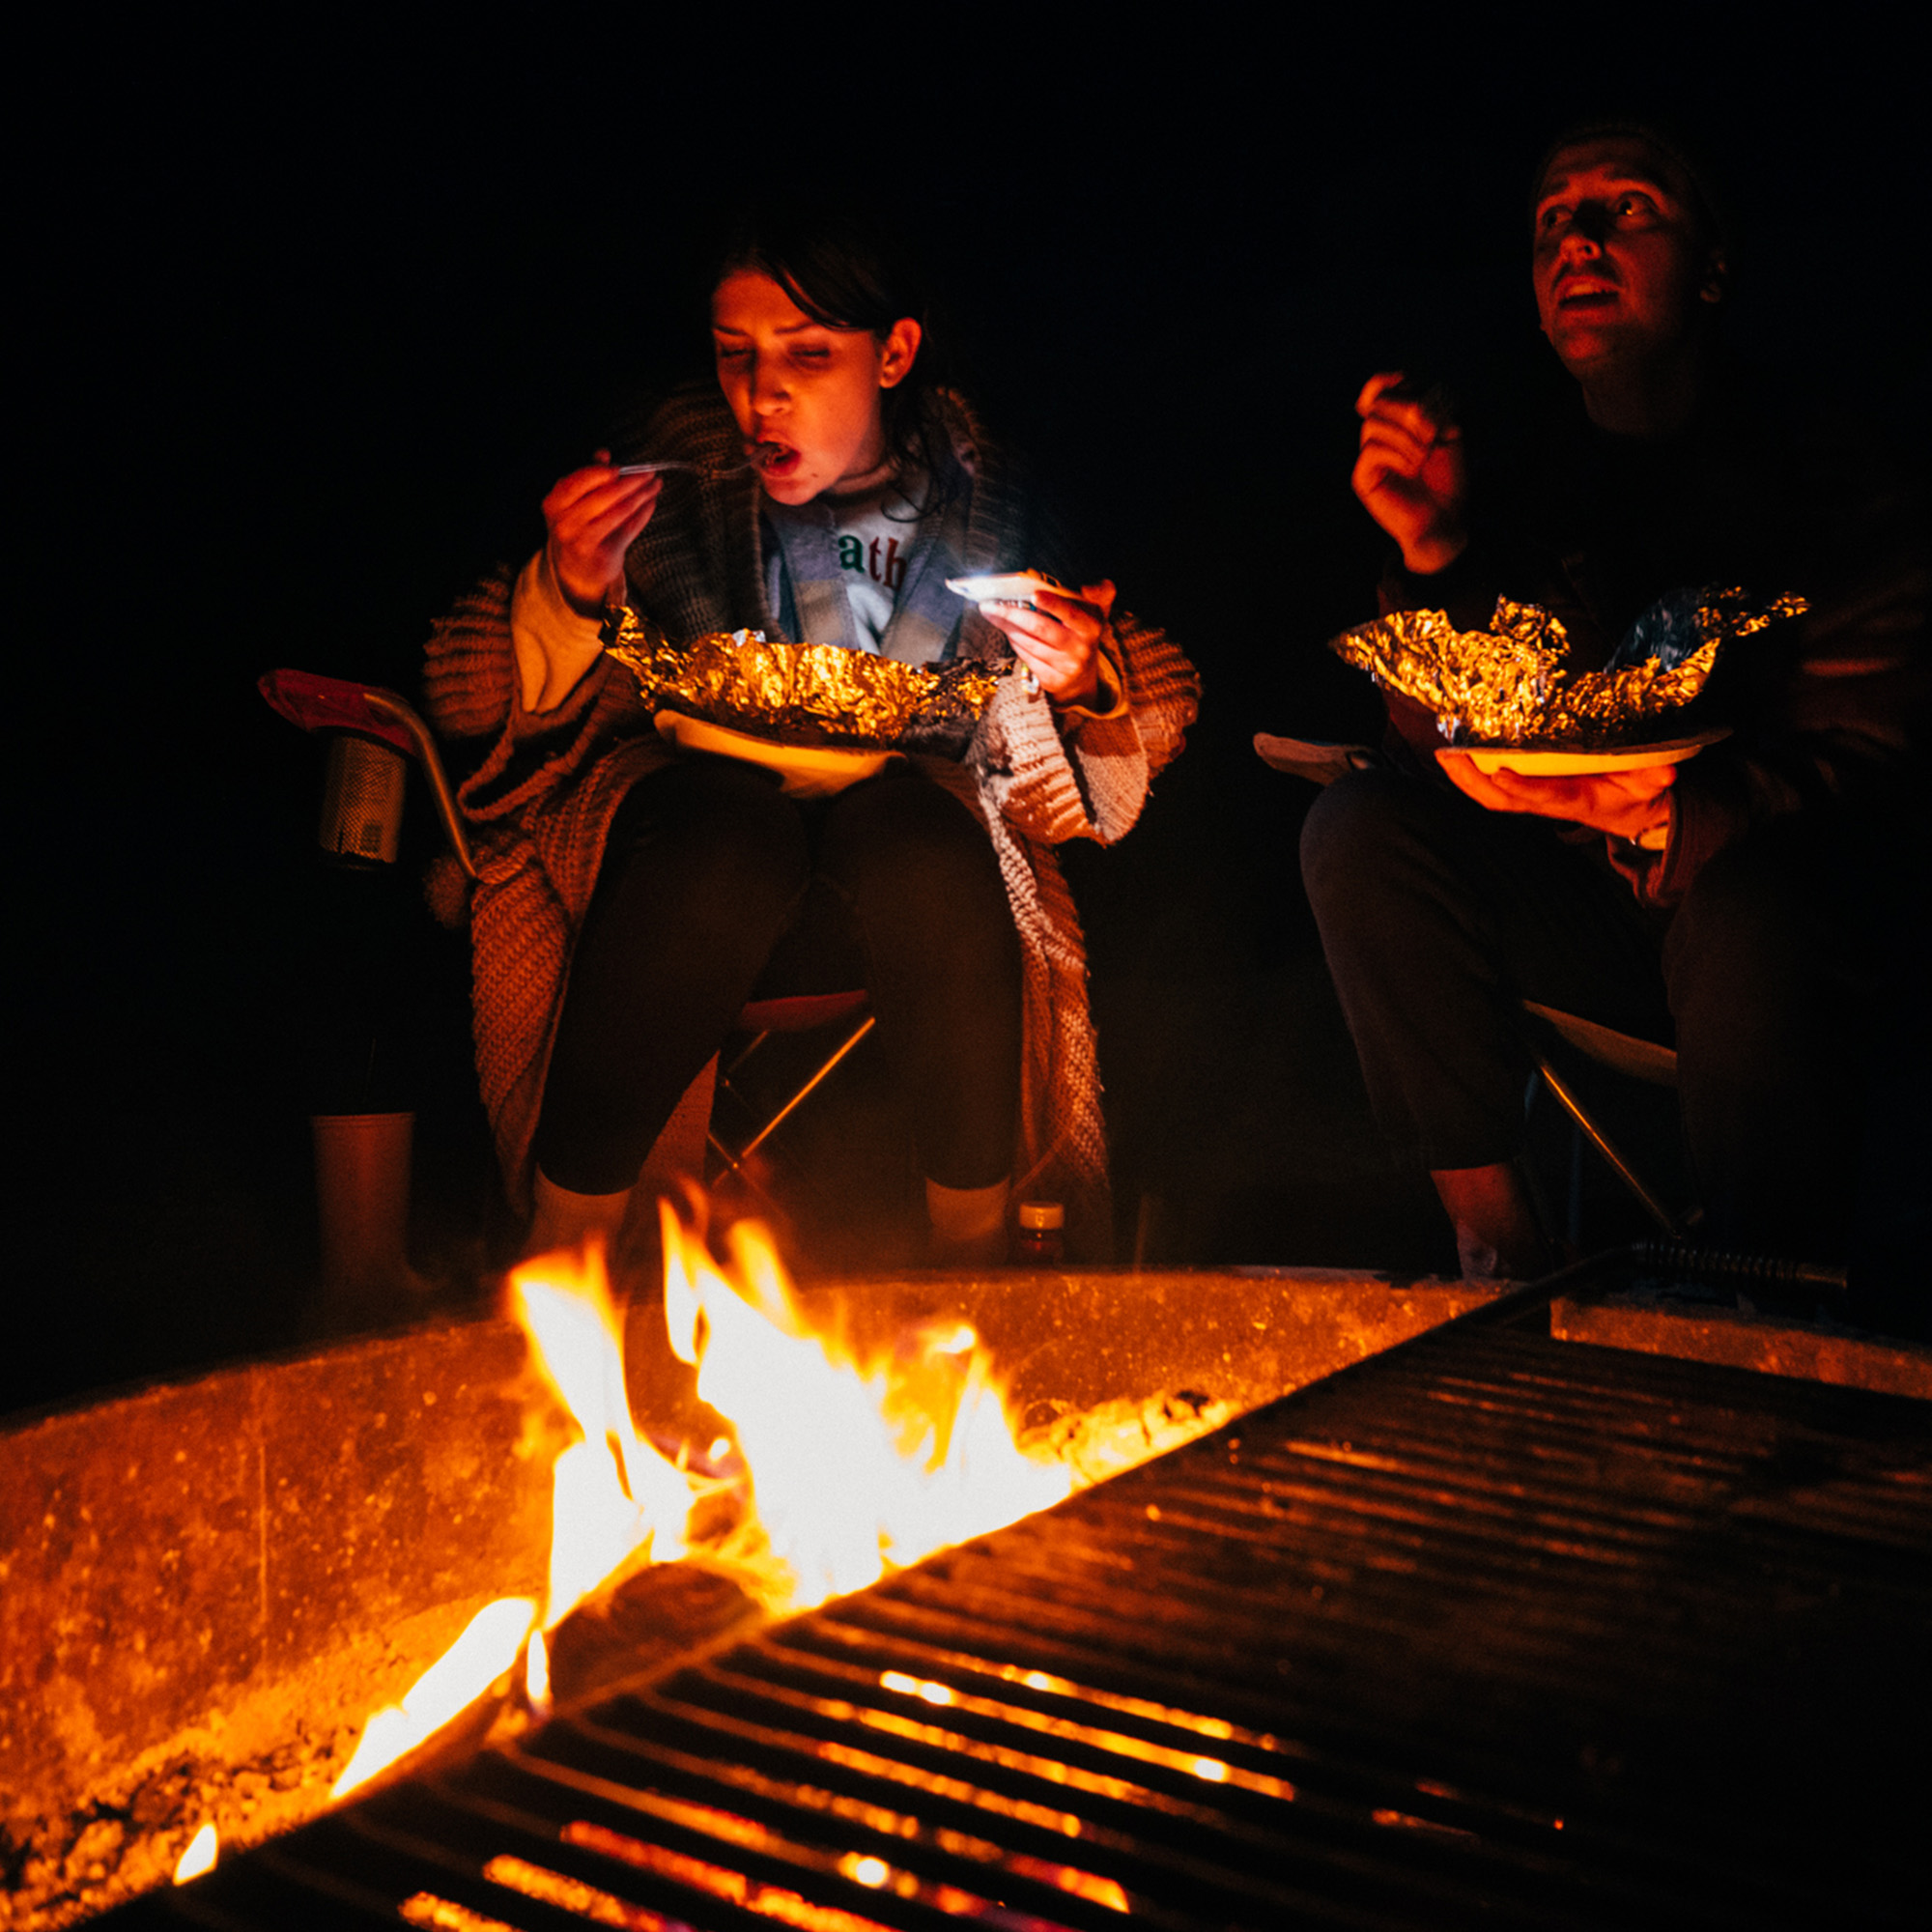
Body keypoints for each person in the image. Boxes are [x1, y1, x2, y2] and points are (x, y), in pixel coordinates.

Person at [422, 208, 1198, 1269]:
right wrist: (567, 588)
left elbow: (1133, 692)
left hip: (901, 885)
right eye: (733, 354)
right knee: (727, 836)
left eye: (807, 354)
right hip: (679, 878)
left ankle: (974, 1276)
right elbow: (472, 695)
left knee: (920, 840)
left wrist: (1080, 677)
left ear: (894, 353)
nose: (761, 394)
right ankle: (564, 1262)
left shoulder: (979, 499)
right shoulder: (676, 484)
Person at [1299, 122, 1928, 1309]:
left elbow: (1876, 761)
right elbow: (1451, 735)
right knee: (1358, 827)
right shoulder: (1530, 475)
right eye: (1550, 220)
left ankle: (1765, 1299)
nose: (1577, 239)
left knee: (1755, 908)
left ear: (1711, 264)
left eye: (1625, 207)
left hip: (1781, 945)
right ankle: (1499, 1262)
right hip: (1595, 921)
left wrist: (1664, 815)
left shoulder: (1835, 468)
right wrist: (1431, 550)